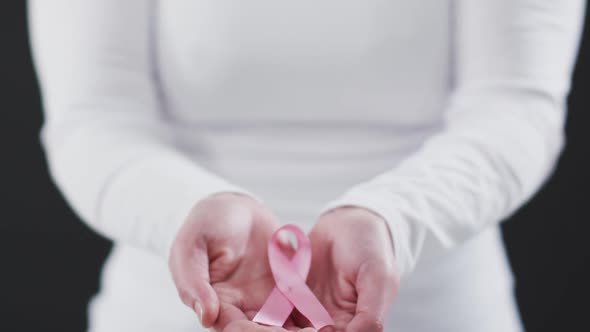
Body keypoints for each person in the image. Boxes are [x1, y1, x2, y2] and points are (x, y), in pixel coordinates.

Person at [28, 1, 585, 331]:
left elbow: (513, 109)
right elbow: (94, 117)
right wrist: (192, 208)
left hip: (438, 311)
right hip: (170, 311)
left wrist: (391, 219)